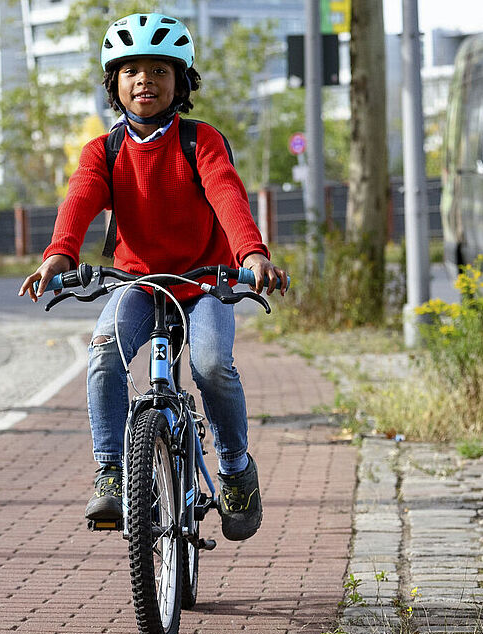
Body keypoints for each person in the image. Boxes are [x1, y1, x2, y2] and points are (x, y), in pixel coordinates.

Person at [18, 12, 288, 542]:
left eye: (161, 70)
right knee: (102, 352)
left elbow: (226, 193)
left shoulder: (200, 140)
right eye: (133, 70)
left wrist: (252, 255)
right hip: (139, 283)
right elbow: (79, 200)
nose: (146, 80)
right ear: (114, 83)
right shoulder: (105, 150)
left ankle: (235, 469)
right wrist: (59, 255)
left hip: (207, 281)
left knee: (211, 363)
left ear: (181, 82)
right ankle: (112, 472)